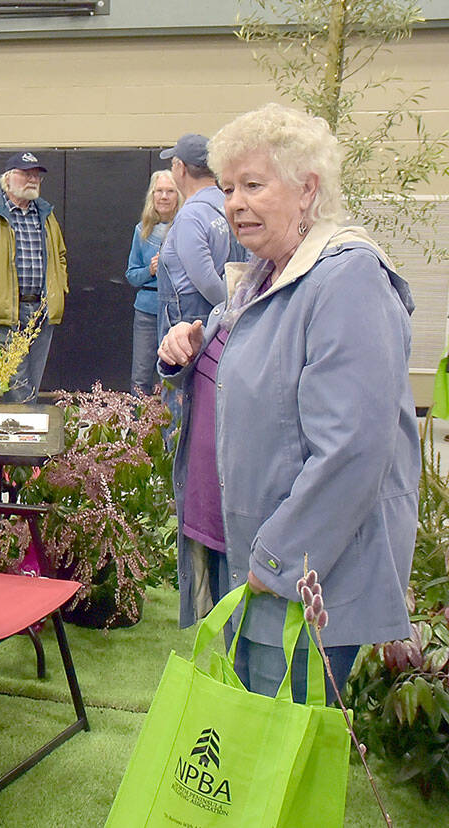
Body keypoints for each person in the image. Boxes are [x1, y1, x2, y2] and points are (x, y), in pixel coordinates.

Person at [158, 103, 418, 703]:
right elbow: (249, 385)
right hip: (242, 550)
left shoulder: (345, 280)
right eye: (227, 188)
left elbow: (352, 451)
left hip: (295, 573)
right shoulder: (265, 274)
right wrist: (188, 355)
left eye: (253, 185)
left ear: (308, 190)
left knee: (278, 765)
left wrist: (276, 560)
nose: (234, 203)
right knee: (250, 752)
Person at [0, 151, 68, 402]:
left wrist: (58, 290)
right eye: (25, 174)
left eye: (37, 175)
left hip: (41, 312)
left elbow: (60, 256)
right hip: (5, 314)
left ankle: (22, 434)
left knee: (33, 379)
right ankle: (21, 437)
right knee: (16, 386)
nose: (33, 180)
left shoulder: (46, 214)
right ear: (7, 179)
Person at [156, 133, 247, 345]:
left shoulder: (191, 215)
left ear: (181, 167)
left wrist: (229, 313)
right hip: (222, 314)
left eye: (172, 164)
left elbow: (204, 278)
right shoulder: (225, 204)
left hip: (190, 323)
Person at [124, 170, 181, 395]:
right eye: (159, 191)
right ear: (152, 196)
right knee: (140, 375)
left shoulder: (185, 227)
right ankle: (140, 428)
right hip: (147, 311)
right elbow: (131, 275)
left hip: (176, 311)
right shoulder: (142, 230)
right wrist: (150, 270)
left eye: (170, 191)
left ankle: (172, 428)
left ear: (178, 195)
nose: (164, 197)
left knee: (172, 375)